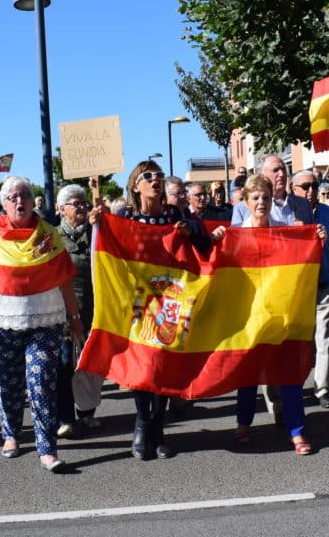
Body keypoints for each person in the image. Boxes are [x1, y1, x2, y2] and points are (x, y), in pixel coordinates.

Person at [90, 160, 211, 460]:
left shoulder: (174, 214)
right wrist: (97, 222)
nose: (155, 180)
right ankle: (143, 423)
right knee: (144, 366)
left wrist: (190, 231)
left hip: (170, 299)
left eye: (158, 176)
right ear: (135, 185)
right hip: (138, 302)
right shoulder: (125, 217)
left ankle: (158, 427)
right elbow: (109, 248)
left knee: (164, 364)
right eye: (148, 176)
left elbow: (202, 244)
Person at [0, 175, 81, 474]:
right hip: (3, 324)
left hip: (46, 321)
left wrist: (75, 319)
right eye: (13, 196)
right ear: (3, 204)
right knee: (8, 381)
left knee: (42, 382)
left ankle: (46, 448)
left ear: (33, 200)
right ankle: (11, 433)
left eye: (25, 195)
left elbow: (65, 279)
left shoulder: (49, 235)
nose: (19, 201)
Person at [210, 173, 320, 454]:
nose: (262, 203)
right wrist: (215, 240)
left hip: (280, 312)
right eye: (256, 198)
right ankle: (243, 424)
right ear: (245, 202)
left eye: (266, 198)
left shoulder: (285, 231)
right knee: (246, 373)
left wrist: (316, 236)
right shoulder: (234, 235)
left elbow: (304, 256)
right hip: (247, 315)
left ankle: (297, 431)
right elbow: (214, 265)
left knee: (288, 372)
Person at [55, 183, 103, 436]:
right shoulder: (52, 236)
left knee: (89, 363)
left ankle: (87, 412)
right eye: (76, 203)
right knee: (64, 363)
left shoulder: (96, 233)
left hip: (92, 308)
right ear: (62, 209)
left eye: (84, 202)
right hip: (61, 312)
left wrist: (101, 226)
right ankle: (65, 417)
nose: (82, 207)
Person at [292, 169, 329, 409]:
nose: (311, 191)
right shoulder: (288, 213)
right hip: (298, 289)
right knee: (302, 343)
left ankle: (323, 389)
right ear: (294, 190)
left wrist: (321, 236)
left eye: (314, 185)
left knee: (324, 340)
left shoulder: (327, 212)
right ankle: (294, 387)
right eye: (305, 186)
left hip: (325, 283)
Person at [231, 155, 314, 227]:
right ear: (263, 174)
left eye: (283, 169)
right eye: (275, 170)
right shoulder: (241, 208)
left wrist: (305, 231)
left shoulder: (303, 204)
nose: (281, 174)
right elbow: (236, 239)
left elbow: (312, 239)